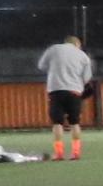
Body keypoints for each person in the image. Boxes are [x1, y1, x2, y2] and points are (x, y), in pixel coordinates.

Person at [38, 31, 95, 161]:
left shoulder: (53, 49)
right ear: (77, 44)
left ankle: (59, 154)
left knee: (57, 123)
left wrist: (54, 70)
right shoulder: (83, 56)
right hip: (74, 92)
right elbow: (87, 78)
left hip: (56, 90)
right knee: (75, 123)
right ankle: (76, 153)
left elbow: (41, 66)